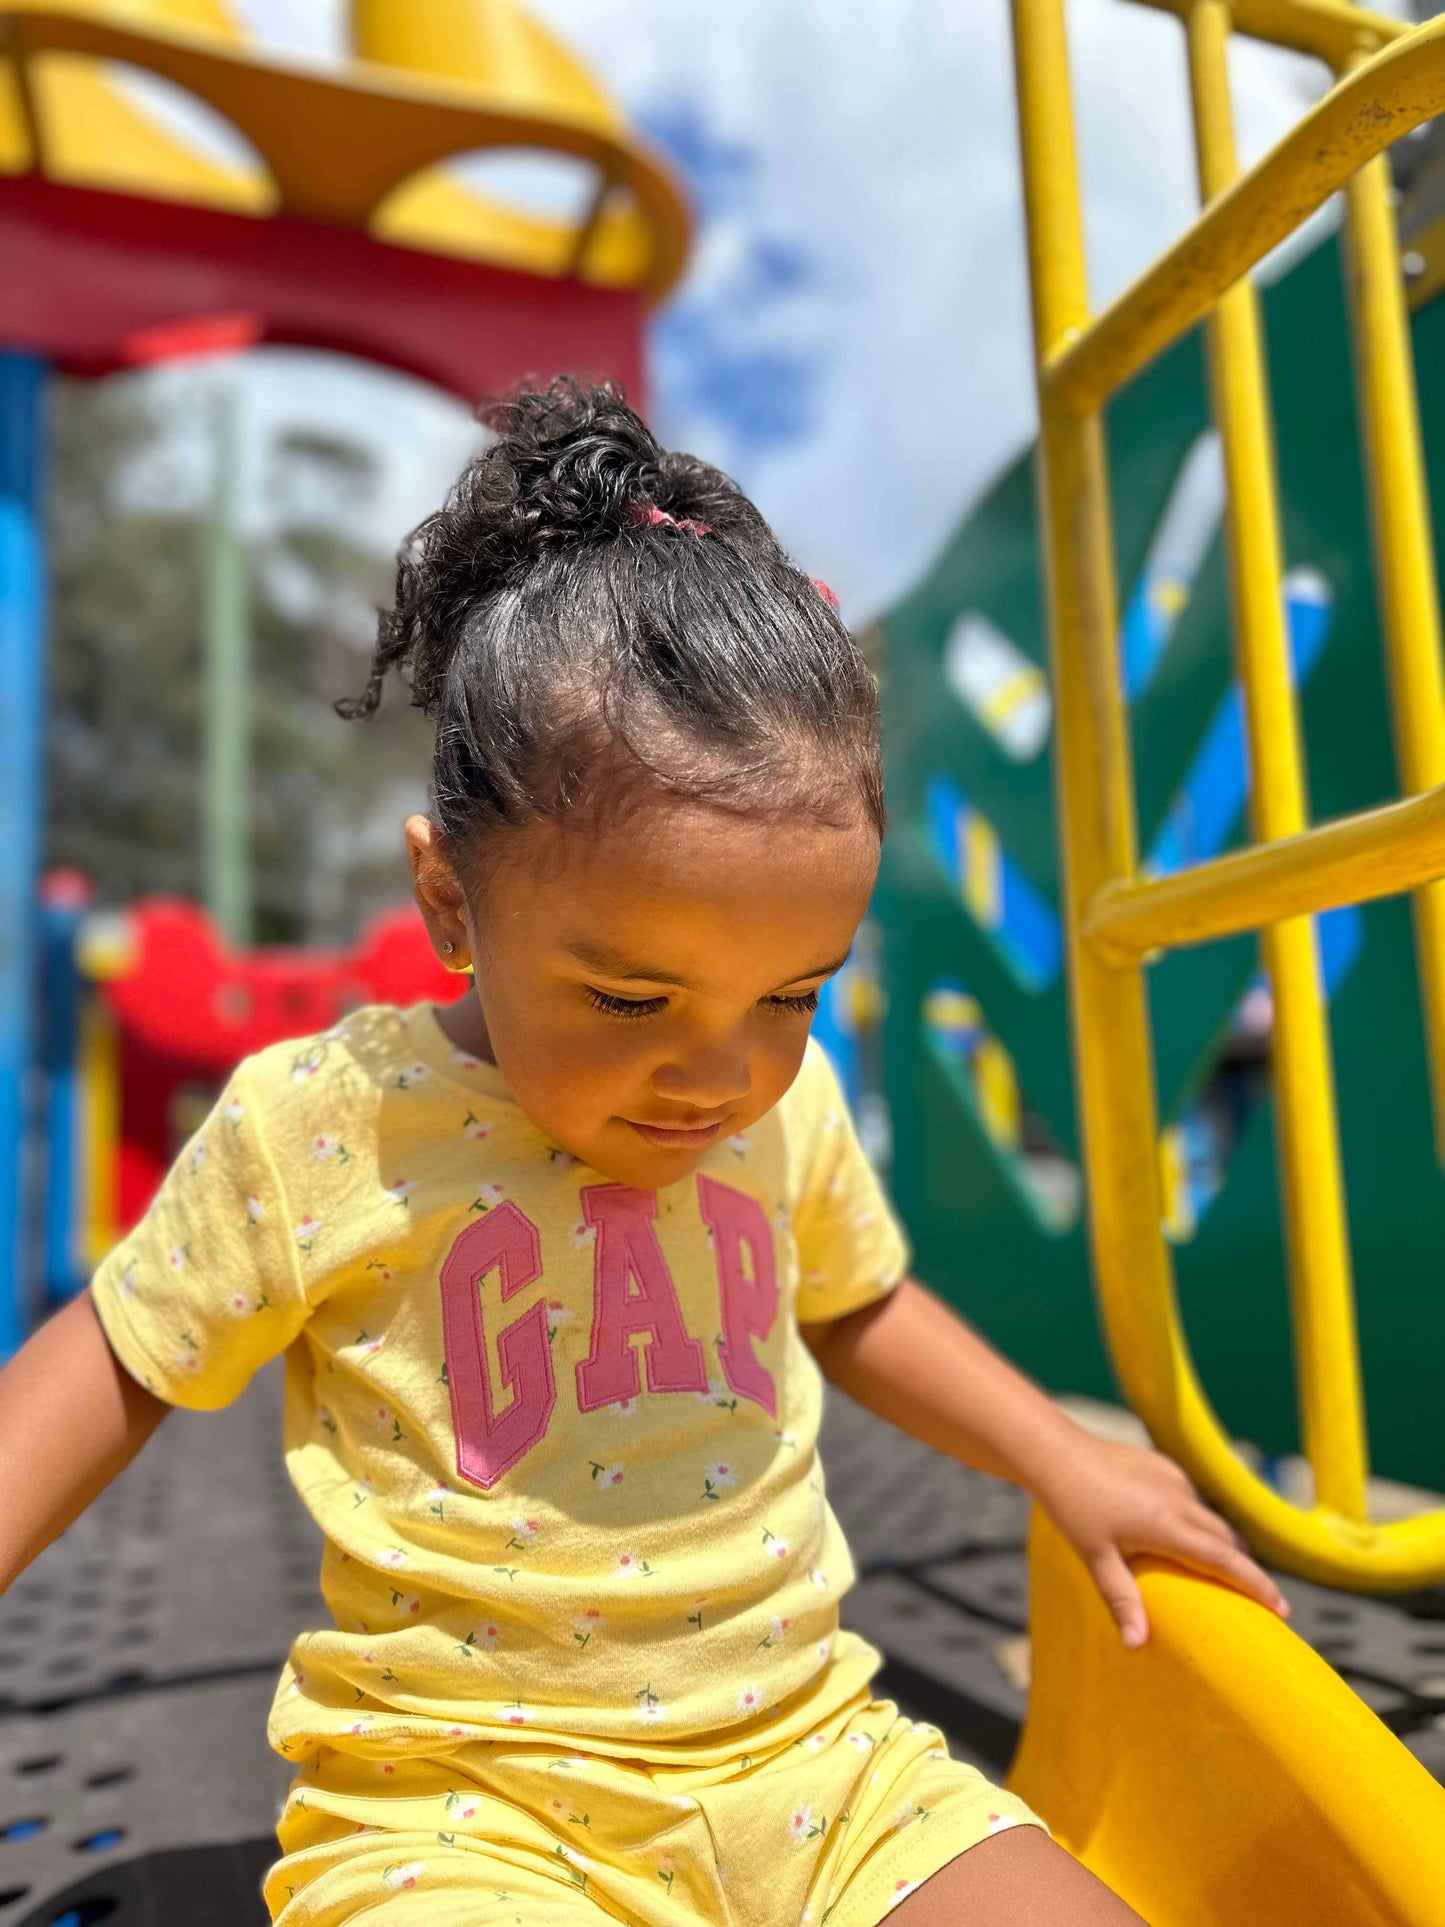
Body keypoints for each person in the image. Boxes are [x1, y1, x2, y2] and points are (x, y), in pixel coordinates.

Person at [0, 379, 1288, 1926]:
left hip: (815, 1766)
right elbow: (118, 1365)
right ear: (452, 901)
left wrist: (1061, 1457)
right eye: (628, 997)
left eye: (792, 996)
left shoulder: (780, 1114)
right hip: (464, 1817)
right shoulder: (320, 1130)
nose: (719, 1073)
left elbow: (858, 1303)